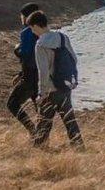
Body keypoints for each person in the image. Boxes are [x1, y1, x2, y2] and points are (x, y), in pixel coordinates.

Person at [27, 10, 84, 148]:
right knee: (70, 121)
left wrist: (42, 93)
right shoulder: (63, 38)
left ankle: (38, 152)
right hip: (65, 87)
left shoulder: (40, 44)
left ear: (35, 26)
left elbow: (43, 71)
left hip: (51, 90)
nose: (32, 31)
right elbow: (74, 59)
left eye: (31, 28)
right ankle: (80, 149)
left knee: (44, 122)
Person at [7, 2, 40, 135]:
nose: (21, 19)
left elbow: (26, 53)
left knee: (12, 104)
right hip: (40, 76)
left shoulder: (27, 32)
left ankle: (33, 131)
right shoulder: (43, 31)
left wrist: (16, 50)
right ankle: (41, 138)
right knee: (40, 109)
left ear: (27, 17)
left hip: (29, 76)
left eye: (22, 16)